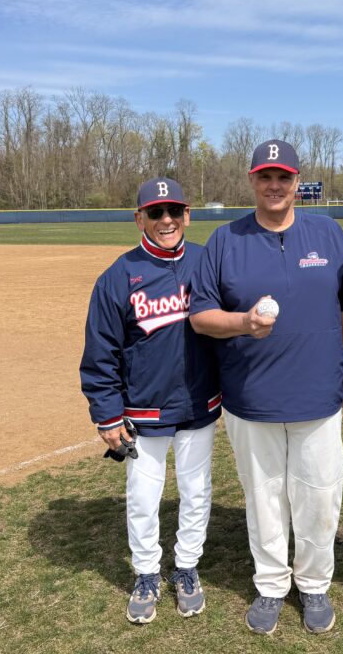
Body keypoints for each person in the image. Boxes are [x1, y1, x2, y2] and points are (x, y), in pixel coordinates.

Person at [188, 139, 343, 635]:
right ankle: (270, 585)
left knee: (318, 494)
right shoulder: (225, 240)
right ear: (252, 180)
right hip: (251, 395)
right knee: (263, 495)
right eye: (265, 176)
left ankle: (314, 584)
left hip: (318, 392)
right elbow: (200, 316)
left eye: (283, 177)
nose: (275, 185)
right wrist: (242, 321)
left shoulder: (328, 234)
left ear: (296, 181)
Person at [80, 177, 220, 625]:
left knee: (196, 492)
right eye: (156, 212)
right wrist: (106, 413)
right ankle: (145, 572)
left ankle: (186, 568)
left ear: (187, 215)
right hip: (143, 410)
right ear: (138, 217)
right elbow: (100, 351)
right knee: (143, 496)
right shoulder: (118, 277)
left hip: (199, 404)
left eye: (174, 211)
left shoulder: (207, 262)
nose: (166, 220)